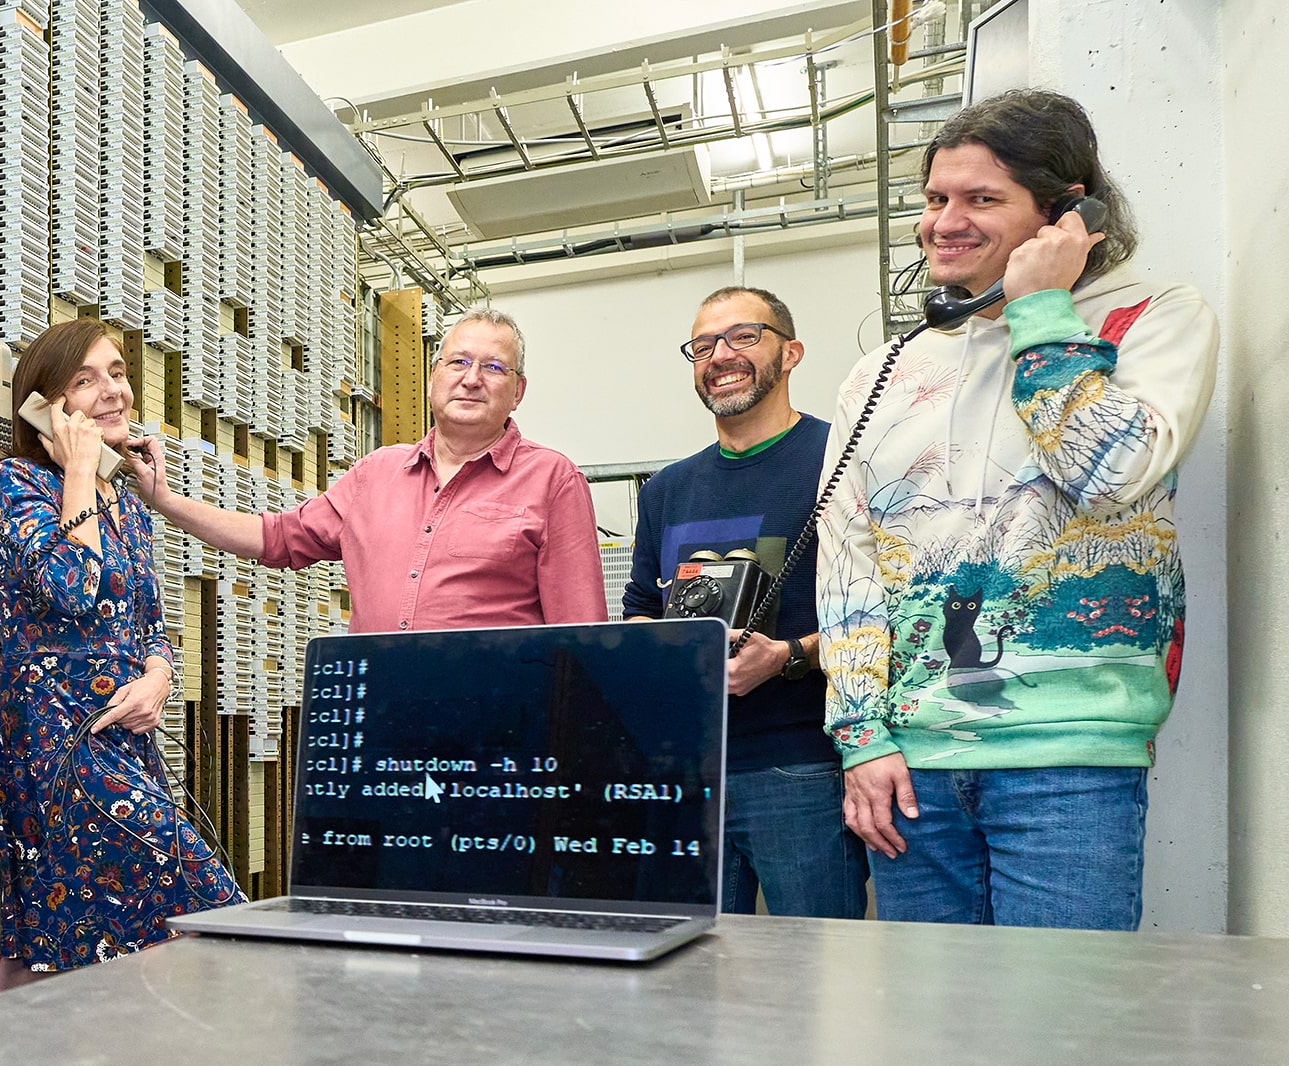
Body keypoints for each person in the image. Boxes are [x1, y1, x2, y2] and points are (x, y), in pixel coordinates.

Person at [816, 89, 1219, 929]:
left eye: (981, 200)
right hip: (908, 769)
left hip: (1068, 760)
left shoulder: (1151, 319)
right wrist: (861, 735)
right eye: (934, 199)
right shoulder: (877, 373)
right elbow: (846, 563)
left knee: (1061, 1036)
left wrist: (1041, 310)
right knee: (929, 1045)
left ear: (1067, 212)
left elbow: (1108, 473)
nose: (944, 223)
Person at [0, 319, 245, 988]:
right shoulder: (17, 486)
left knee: (101, 940)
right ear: (45, 405)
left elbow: (150, 621)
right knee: (204, 900)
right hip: (57, 744)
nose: (113, 391)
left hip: (125, 739)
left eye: (118, 373)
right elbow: (68, 586)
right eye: (85, 380)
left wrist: (158, 677)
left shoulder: (126, 504)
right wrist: (77, 469)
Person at [622, 286, 869, 918]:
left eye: (743, 337)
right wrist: (663, 650)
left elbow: (883, 606)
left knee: (813, 974)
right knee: (687, 979)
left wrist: (787, 657)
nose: (720, 355)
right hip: (687, 774)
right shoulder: (668, 490)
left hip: (802, 767)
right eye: (703, 345)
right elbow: (640, 606)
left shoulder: (841, 458)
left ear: (791, 353)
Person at [129, 307, 607, 631]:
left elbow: (582, 635)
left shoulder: (553, 481)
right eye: (458, 362)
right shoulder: (376, 474)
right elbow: (274, 538)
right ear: (433, 376)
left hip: (496, 736)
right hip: (381, 723)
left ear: (518, 391)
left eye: (493, 368)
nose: (471, 379)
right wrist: (165, 499)